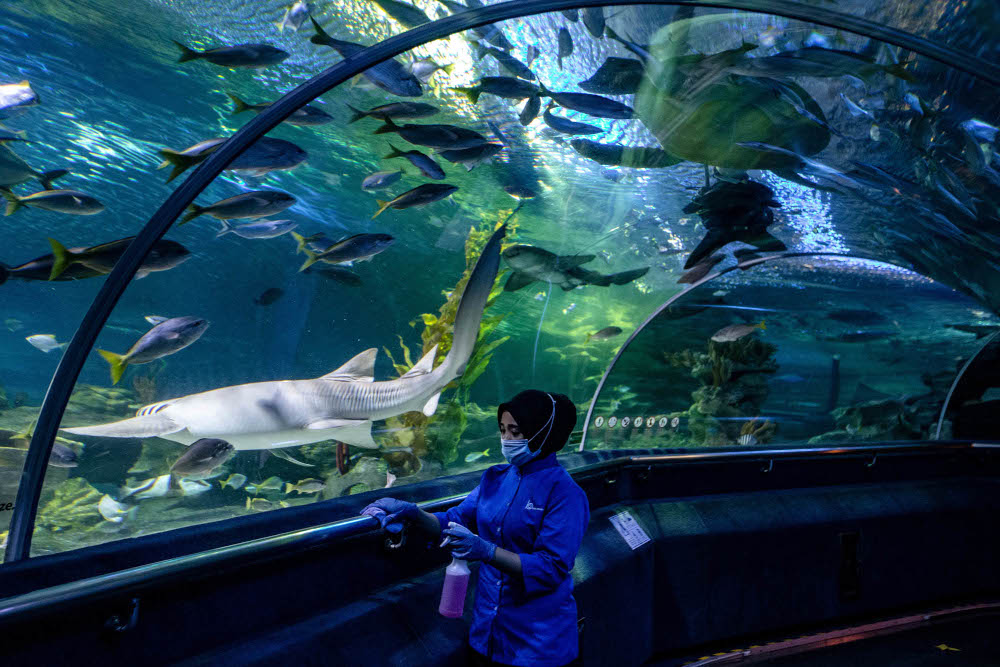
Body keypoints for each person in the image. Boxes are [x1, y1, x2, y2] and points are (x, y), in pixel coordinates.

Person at [362, 390, 590, 667]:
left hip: (538, 645)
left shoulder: (565, 494)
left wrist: (487, 551)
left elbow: (551, 568)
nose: (506, 440)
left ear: (542, 433)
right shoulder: (495, 478)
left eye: (516, 431)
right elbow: (454, 520)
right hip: (486, 633)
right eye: (503, 430)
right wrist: (414, 513)